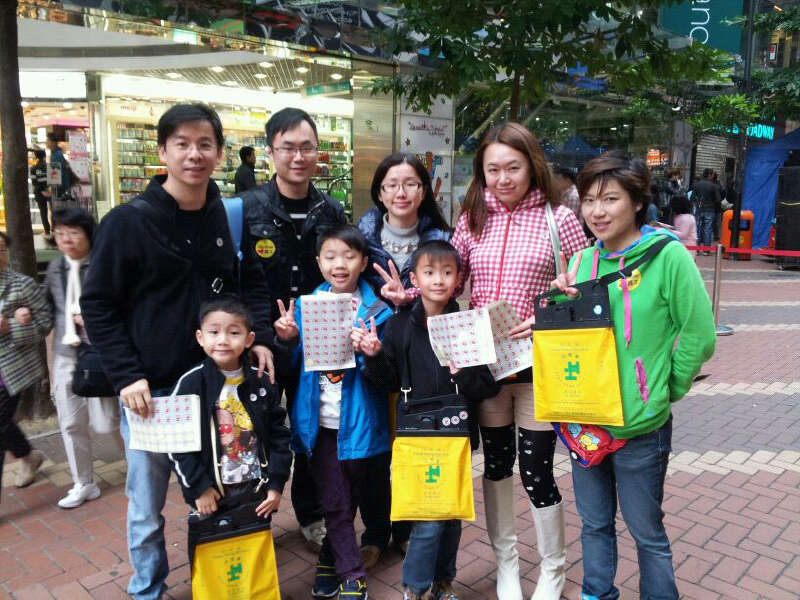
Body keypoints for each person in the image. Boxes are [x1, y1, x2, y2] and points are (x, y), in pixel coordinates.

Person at [81, 103, 275, 600]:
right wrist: (126, 374)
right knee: (147, 504)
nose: (194, 154)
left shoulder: (229, 218)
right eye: (182, 144)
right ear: (163, 150)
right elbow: (98, 303)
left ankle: (225, 585)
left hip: (215, 387)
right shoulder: (126, 222)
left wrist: (260, 338)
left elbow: (250, 282)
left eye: (205, 144)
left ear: (220, 153)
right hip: (153, 393)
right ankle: (147, 589)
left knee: (219, 491)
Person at [551, 150, 715, 600]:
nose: (597, 212)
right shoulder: (581, 262)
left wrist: (664, 388)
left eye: (610, 199)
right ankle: (597, 592)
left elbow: (700, 335)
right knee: (594, 524)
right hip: (586, 424)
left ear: (638, 201)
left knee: (646, 532)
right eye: (588, 200)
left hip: (641, 426)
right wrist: (558, 305)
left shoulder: (668, 257)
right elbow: (573, 340)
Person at [450, 122, 587, 600]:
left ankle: (553, 568)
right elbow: (450, 279)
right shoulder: (471, 219)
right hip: (487, 368)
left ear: (532, 166)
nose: (503, 178)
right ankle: (505, 564)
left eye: (513, 167)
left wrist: (549, 312)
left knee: (536, 471)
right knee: (496, 466)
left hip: (536, 367)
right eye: (493, 170)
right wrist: (411, 292)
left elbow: (581, 288)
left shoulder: (559, 219)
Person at [357, 240, 501, 600]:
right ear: (415, 279)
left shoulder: (468, 324)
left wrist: (464, 371)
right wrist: (374, 356)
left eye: (447, 272)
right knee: (429, 517)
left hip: (456, 434)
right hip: (417, 435)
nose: (439, 280)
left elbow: (486, 386)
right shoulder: (400, 326)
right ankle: (416, 587)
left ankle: (443, 582)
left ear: (459, 279)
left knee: (451, 515)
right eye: (430, 272)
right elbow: (389, 383)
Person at [240, 107, 347, 552]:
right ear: (270, 152)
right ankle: (249, 515)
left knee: (310, 431)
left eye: (307, 148)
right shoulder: (246, 208)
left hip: (317, 346)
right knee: (255, 431)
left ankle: (311, 514)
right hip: (262, 346)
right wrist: (260, 337)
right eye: (288, 148)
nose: (298, 157)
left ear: (317, 152)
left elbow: (345, 270)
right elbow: (239, 280)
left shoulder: (331, 209)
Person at [273, 224, 392, 600]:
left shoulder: (379, 312)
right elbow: (291, 367)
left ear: (364, 262)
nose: (339, 264)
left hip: (361, 423)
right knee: (336, 500)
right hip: (319, 424)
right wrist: (287, 340)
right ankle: (353, 575)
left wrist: (372, 354)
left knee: (348, 495)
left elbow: (389, 378)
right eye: (330, 256)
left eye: (349, 256)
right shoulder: (307, 307)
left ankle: (328, 558)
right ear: (319, 262)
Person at [356, 151, 451, 566]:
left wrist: (409, 297)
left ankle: (409, 528)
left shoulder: (442, 240)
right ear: (379, 192)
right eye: (391, 184)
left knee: (415, 444)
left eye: (410, 183)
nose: (401, 192)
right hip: (374, 354)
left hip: (423, 357)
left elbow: (452, 293)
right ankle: (377, 531)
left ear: (423, 190)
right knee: (375, 448)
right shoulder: (361, 241)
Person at [168, 297, 292, 563]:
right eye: (214, 332)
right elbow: (177, 443)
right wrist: (199, 488)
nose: (223, 340)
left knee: (253, 551)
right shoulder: (191, 384)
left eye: (234, 332)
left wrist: (276, 485)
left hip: (255, 487)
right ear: (200, 337)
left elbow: (280, 437)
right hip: (213, 490)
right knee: (218, 555)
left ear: (249, 339)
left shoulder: (261, 381)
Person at [44, 207, 122, 509]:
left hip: (99, 353)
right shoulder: (55, 269)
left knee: (107, 423)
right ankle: (84, 482)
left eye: (73, 233)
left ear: (89, 234)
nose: (66, 240)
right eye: (60, 233)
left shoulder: (104, 265)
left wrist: (94, 319)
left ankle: (140, 468)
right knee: (70, 423)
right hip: (66, 354)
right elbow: (48, 312)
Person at [0, 231, 53, 494]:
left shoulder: (22, 285)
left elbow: (45, 323)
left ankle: (27, 457)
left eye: (1, 248)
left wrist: (10, 326)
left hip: (10, 367)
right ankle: (28, 456)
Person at [690, 168, 720, 255]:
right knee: (708, 229)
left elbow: (692, 197)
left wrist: (698, 202)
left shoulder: (697, 185)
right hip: (710, 209)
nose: (713, 176)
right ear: (709, 175)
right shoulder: (713, 186)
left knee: (698, 228)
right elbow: (718, 199)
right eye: (712, 174)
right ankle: (706, 250)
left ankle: (697, 249)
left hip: (699, 209)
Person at [46, 132, 75, 201]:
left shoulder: (56, 155)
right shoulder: (57, 153)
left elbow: (54, 177)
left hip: (60, 191)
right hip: (63, 189)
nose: (46, 143)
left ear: (53, 143)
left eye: (48, 140)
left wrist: (51, 188)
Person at [30, 149, 52, 238]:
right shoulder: (50, 166)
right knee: (53, 211)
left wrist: (42, 190)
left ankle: (47, 231)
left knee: (43, 212)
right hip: (50, 192)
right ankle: (55, 229)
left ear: (36, 157)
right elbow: (56, 180)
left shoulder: (33, 168)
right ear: (44, 156)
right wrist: (48, 189)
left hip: (39, 193)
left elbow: (34, 182)